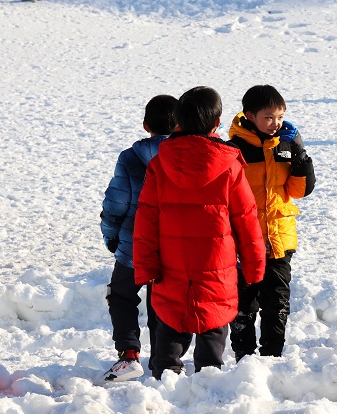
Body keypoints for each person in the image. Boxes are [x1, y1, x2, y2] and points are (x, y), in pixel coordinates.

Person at [133, 86, 266, 379]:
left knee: (167, 342)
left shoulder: (159, 165)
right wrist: (256, 270)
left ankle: (163, 393)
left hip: (170, 271)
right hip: (216, 273)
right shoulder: (229, 166)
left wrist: (146, 268)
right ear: (216, 123)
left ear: (177, 122)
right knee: (212, 338)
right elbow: (247, 222)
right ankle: (209, 397)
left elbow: (145, 223)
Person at [226, 85, 315, 361]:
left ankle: (272, 357)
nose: (276, 123)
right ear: (250, 116)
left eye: (280, 116)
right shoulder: (234, 149)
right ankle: (244, 357)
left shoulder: (285, 145)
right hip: (244, 241)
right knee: (244, 304)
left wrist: (299, 154)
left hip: (279, 238)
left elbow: (300, 190)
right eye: (269, 117)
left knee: (276, 303)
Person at [98, 94, 178, 383]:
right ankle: (162, 360)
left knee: (121, 297)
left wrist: (110, 236)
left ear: (146, 125)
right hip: (171, 245)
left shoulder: (130, 158)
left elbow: (115, 204)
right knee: (161, 302)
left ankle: (129, 355)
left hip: (133, 245)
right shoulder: (185, 156)